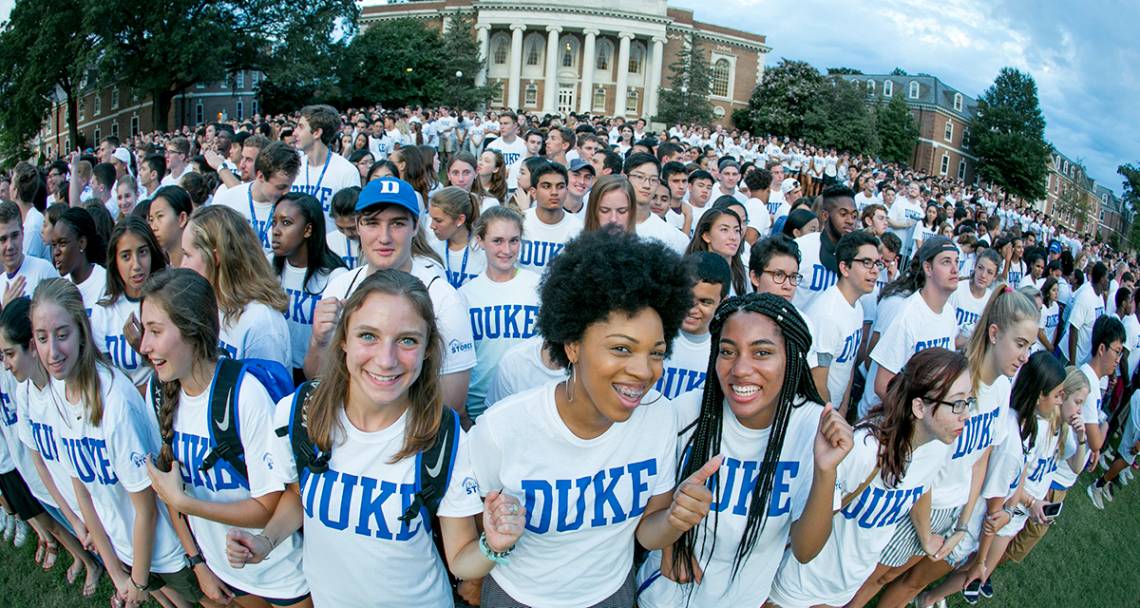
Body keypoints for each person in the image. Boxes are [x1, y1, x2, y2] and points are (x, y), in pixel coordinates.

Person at [468, 228, 703, 606]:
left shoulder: (658, 415)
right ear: (573, 345)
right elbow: (474, 538)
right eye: (622, 348)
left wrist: (675, 519)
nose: (644, 371)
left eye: (656, 353)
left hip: (610, 594)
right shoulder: (502, 428)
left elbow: (645, 534)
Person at [638, 291, 854, 607]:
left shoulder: (812, 428)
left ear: (792, 357)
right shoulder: (684, 414)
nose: (740, 369)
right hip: (666, 594)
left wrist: (825, 471)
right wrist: (672, 529)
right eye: (727, 351)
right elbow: (645, 533)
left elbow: (805, 551)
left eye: (762, 353)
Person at [138, 269, 310, 606]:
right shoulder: (158, 391)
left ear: (193, 331)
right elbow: (172, 481)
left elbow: (269, 506)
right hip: (225, 568)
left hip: (281, 570)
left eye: (155, 331)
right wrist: (197, 561)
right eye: (145, 330)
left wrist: (186, 503)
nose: (144, 346)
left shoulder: (245, 395)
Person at [861, 287, 1038, 608]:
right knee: (872, 579)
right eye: (1021, 344)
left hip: (951, 509)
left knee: (904, 583)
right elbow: (921, 461)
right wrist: (926, 528)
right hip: (916, 501)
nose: (1026, 356)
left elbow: (979, 460)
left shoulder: (1001, 389)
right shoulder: (956, 382)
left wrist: (962, 522)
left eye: (1031, 346)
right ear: (995, 333)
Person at [30, 279, 192, 607]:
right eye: (42, 338)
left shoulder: (114, 401)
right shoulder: (57, 396)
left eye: (63, 335)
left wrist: (138, 581)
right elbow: (81, 489)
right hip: (125, 547)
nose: (53, 351)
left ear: (82, 332)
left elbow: (146, 508)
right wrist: (116, 571)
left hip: (163, 547)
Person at [768, 347, 967, 608]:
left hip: (846, 586)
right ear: (919, 406)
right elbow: (805, 521)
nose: (966, 414)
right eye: (958, 404)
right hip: (800, 586)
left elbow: (921, 487)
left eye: (969, 401)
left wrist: (926, 536)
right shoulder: (863, 450)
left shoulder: (936, 448)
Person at [918, 352, 1082, 608]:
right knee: (914, 581)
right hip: (971, 519)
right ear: (1040, 394)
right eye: (1059, 394)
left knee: (928, 576)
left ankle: (928, 597)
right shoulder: (1012, 438)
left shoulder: (1030, 427)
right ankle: (924, 598)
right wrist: (984, 556)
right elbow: (994, 506)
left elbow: (1018, 480)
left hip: (978, 521)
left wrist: (1017, 505)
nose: (1061, 401)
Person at [308, 177, 476, 417]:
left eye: (397, 224)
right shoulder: (340, 286)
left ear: (416, 226)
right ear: (357, 226)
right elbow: (317, 379)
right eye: (372, 223)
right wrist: (319, 342)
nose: (384, 237)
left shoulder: (444, 299)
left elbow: (451, 404)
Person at [0, 297, 103, 593]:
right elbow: (38, 459)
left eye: (9, 353)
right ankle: (98, 565)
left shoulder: (60, 390)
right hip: (50, 491)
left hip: (84, 496)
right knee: (78, 535)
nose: (6, 364)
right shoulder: (25, 393)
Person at [858, 237, 959, 419]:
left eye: (957, 262)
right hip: (885, 421)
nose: (955, 269)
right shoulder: (907, 314)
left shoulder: (949, 314)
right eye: (946, 262)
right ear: (928, 268)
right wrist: (916, 420)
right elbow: (882, 385)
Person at [180, 205, 290, 367]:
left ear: (215, 257)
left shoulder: (261, 322)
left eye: (187, 255)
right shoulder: (204, 303)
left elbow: (267, 389)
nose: (182, 265)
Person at [270, 192, 348, 381]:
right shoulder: (267, 267)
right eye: (274, 222)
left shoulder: (335, 277)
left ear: (308, 230)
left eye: (286, 223)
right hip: (277, 370)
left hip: (317, 374)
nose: (276, 231)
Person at [805, 230, 880, 411]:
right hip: (817, 411)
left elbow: (848, 365)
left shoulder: (857, 306)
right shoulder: (828, 315)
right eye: (866, 263)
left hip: (836, 408)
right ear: (844, 268)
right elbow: (817, 381)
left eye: (877, 263)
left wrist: (844, 407)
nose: (875, 270)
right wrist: (834, 417)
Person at [91, 217, 167, 389]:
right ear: (115, 261)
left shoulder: (169, 300)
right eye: (126, 256)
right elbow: (107, 379)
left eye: (142, 252)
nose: (137, 265)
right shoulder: (103, 311)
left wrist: (143, 348)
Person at [652, 252, 730, 401]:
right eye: (686, 297)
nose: (692, 308)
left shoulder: (723, 350)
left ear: (723, 302)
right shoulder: (653, 332)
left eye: (705, 302)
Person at [214, 141, 301, 255]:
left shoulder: (293, 208)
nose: (286, 193)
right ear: (260, 176)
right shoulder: (227, 201)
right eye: (280, 187)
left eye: (290, 186)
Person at [792, 186, 858, 312]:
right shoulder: (801, 247)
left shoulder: (856, 257)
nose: (850, 221)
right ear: (825, 215)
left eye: (854, 216)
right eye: (843, 214)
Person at [290, 105, 361, 216]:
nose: (294, 133)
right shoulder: (292, 167)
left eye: (301, 127)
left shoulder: (347, 172)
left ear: (317, 133)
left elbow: (351, 219)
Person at [518, 162, 583, 275]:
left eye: (560, 187)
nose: (554, 193)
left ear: (567, 191)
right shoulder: (518, 222)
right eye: (546, 186)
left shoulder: (578, 229)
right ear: (534, 192)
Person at [626, 153, 688, 255]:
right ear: (625, 177)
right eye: (639, 177)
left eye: (653, 179)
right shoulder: (606, 223)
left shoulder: (675, 238)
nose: (647, 185)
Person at [50, 208, 107, 316]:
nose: (56, 252)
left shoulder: (104, 284)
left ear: (81, 243)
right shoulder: (61, 286)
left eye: (62, 243)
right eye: (54, 245)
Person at [428, 187, 486, 289]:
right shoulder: (432, 249)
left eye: (438, 220)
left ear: (460, 219)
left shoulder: (482, 250)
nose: (432, 226)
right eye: (432, 219)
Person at [0, 201, 57, 304]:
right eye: (3, 239)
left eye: (14, 236)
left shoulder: (44, 271)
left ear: (22, 232)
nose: (10, 246)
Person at [686, 208, 746, 297]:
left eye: (737, 230)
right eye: (724, 230)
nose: (733, 237)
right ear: (706, 236)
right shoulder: (691, 272)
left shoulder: (743, 273)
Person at [948, 248, 1001, 347]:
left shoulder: (991, 301)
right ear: (975, 267)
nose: (983, 275)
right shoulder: (956, 290)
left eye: (990, 272)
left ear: (995, 276)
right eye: (980, 268)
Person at [1062, 261, 1108, 365]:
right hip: (1070, 356)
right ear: (1101, 279)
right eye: (1106, 278)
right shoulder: (1086, 297)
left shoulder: (1100, 297)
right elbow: (1073, 329)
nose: (1108, 281)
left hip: (1084, 357)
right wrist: (1072, 364)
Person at [9, 162, 51, 261]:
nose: (9, 188)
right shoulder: (30, 220)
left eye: (11, 183)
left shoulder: (33, 226)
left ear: (15, 191)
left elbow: (26, 268)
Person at [147, 186, 193, 268]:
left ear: (182, 219)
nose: (153, 227)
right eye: (151, 220)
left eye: (160, 216)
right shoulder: (162, 271)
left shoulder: (199, 266)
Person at [325, 186, 361, 269]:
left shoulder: (376, 242)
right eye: (340, 228)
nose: (347, 234)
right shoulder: (328, 242)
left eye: (352, 228)